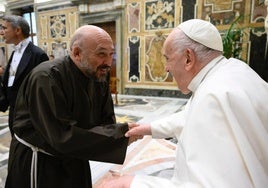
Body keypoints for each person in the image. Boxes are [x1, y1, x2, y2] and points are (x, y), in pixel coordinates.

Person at [99, 19, 268, 188]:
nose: (166, 68)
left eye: (167, 58)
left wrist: (132, 183)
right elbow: (190, 116)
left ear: (188, 58)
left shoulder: (212, 96)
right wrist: (150, 128)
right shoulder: (232, 71)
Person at [4, 24, 134, 188]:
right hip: (42, 163)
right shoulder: (46, 77)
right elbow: (61, 136)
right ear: (77, 53)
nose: (108, 62)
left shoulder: (97, 74)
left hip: (75, 157)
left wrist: (124, 132)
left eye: (111, 54)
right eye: (101, 54)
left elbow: (106, 121)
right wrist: (120, 136)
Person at [0, 15, 49, 136]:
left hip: (30, 114)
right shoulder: (14, 53)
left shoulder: (38, 54)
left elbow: (44, 88)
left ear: (17, 30)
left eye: (4, 28)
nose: (1, 32)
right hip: (14, 112)